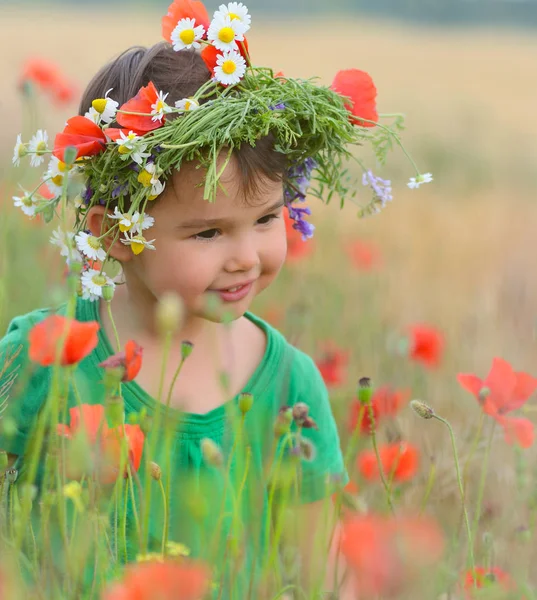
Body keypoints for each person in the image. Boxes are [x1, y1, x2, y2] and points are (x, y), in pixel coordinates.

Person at [0, 1, 415, 597]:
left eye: (267, 218)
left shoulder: (288, 387)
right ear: (116, 232)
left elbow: (327, 572)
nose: (246, 255)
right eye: (209, 232)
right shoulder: (45, 356)